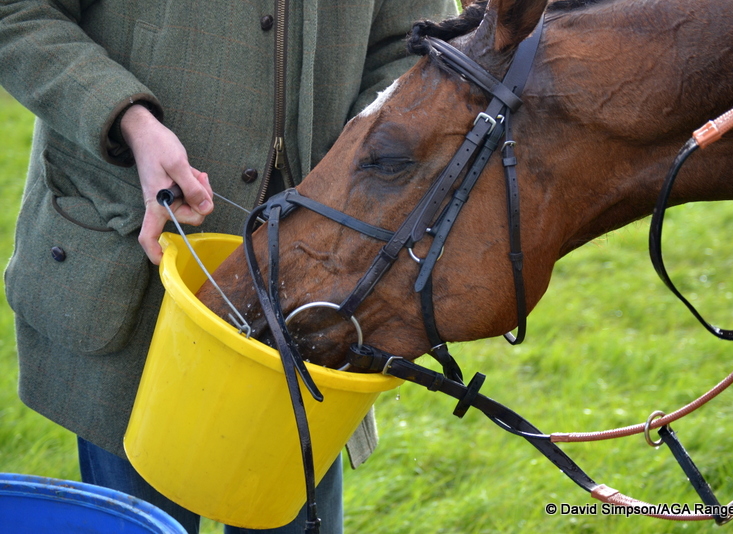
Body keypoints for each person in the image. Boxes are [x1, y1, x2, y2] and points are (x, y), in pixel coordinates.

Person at [0, 1, 458, 532]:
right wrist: (128, 118)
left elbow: (415, 46)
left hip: (317, 306)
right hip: (130, 272)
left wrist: (358, 177)